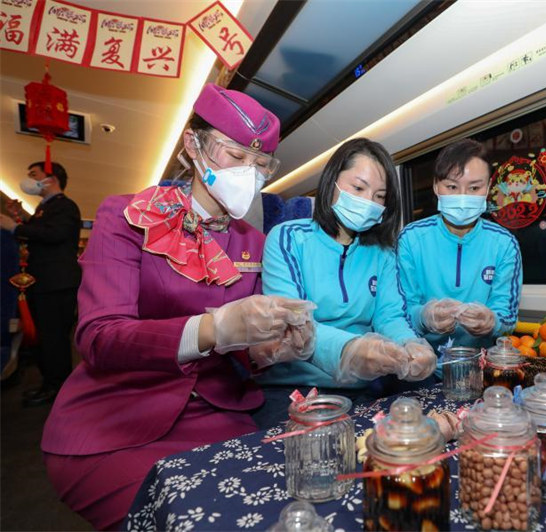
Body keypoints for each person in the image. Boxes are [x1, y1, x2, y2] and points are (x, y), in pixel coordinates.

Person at [39, 83, 315, 531]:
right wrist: (213, 329)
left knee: (278, 513)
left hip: (216, 413)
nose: (250, 172)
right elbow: (99, 336)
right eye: (236, 155)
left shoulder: (255, 244)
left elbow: (243, 349)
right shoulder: (126, 217)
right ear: (194, 144)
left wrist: (272, 349)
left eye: (260, 164)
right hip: (120, 417)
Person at [255, 138, 436, 426]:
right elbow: (293, 324)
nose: (368, 203)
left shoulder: (382, 253)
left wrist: (411, 345)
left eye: (380, 196)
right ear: (332, 182)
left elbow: (390, 316)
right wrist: (351, 349)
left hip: (361, 388)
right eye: (358, 188)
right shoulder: (288, 238)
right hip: (293, 389)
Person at [396, 138, 522, 361]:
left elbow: (507, 320)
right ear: (436, 186)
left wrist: (492, 322)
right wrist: (425, 316)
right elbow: (400, 311)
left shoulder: (504, 244)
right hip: (422, 360)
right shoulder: (412, 238)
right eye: (452, 187)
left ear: (489, 188)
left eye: (474, 188)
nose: (463, 197)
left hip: (481, 364)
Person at [0, 162, 81, 406]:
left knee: (54, 337)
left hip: (56, 283)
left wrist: (15, 228)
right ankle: (50, 383)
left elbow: (54, 235)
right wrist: (22, 220)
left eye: (34, 175)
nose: (29, 180)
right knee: (46, 337)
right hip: (43, 282)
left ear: (51, 179)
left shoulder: (65, 206)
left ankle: (57, 387)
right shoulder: (45, 209)